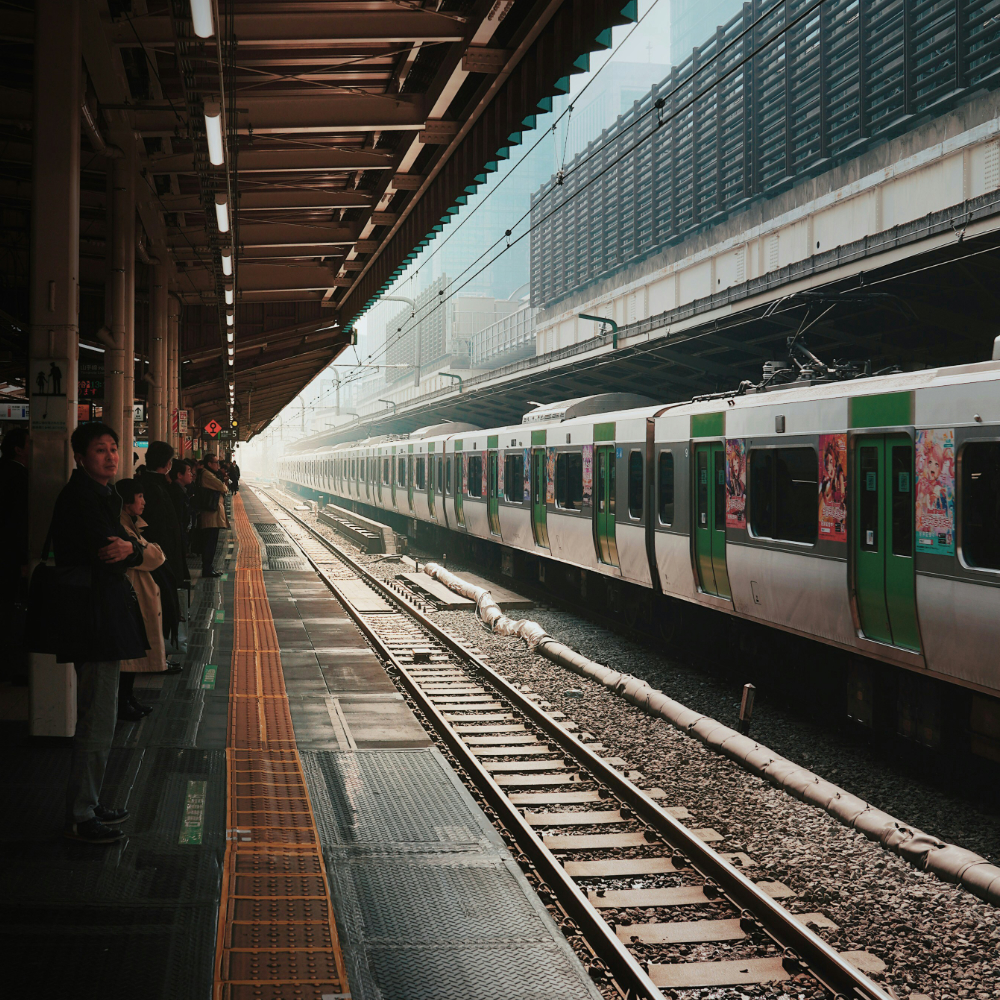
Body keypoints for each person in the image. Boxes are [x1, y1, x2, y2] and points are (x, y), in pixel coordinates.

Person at [50, 422, 148, 844]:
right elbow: (111, 554)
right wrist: (131, 550)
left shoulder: (101, 494)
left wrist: (132, 549)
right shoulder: (83, 498)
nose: (110, 456)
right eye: (99, 450)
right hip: (92, 618)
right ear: (79, 456)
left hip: (96, 614)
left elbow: (124, 549)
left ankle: (88, 802)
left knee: (100, 715)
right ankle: (81, 814)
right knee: (97, 718)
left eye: (113, 449)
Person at [115, 479, 168, 720]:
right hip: (131, 594)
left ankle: (127, 698)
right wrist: (151, 548)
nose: (144, 502)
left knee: (133, 651)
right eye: (139, 497)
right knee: (129, 653)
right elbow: (154, 557)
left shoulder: (132, 525)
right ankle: (122, 701)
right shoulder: (122, 528)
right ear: (127, 503)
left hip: (135, 592)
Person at [0, 427, 29, 683]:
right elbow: (19, 523)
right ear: (19, 449)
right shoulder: (19, 478)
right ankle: (13, 668)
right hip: (10, 558)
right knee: (12, 612)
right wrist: (23, 560)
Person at [196, 452, 229, 578]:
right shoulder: (207, 475)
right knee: (210, 542)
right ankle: (207, 569)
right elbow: (223, 487)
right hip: (211, 516)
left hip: (212, 514)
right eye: (216, 462)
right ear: (209, 464)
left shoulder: (208, 474)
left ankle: (209, 568)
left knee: (211, 542)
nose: (218, 465)